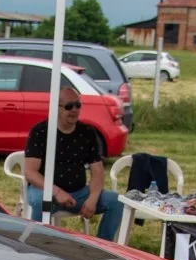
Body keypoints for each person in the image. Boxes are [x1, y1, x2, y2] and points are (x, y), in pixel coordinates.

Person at [22, 85, 123, 240]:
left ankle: (102, 246)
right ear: (56, 107)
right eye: (69, 106)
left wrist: (93, 198)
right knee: (42, 201)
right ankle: (37, 243)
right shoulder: (40, 131)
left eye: (78, 105)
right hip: (45, 191)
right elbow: (30, 172)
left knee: (116, 201)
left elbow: (97, 170)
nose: (74, 110)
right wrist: (57, 192)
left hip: (79, 193)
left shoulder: (87, 132)